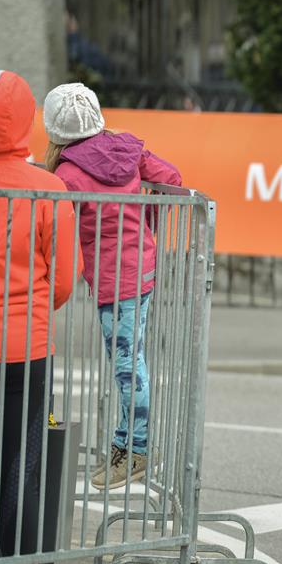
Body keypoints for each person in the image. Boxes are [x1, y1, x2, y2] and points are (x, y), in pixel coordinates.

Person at [0, 69, 83, 564]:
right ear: (28, 119)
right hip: (21, 348)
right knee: (20, 473)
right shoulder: (46, 189)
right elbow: (61, 283)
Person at [42, 83, 181, 492]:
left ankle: (138, 450)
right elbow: (171, 178)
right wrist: (145, 221)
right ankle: (125, 443)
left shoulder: (67, 174)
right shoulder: (127, 148)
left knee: (127, 366)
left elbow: (50, 222)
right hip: (142, 269)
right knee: (129, 361)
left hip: (112, 280)